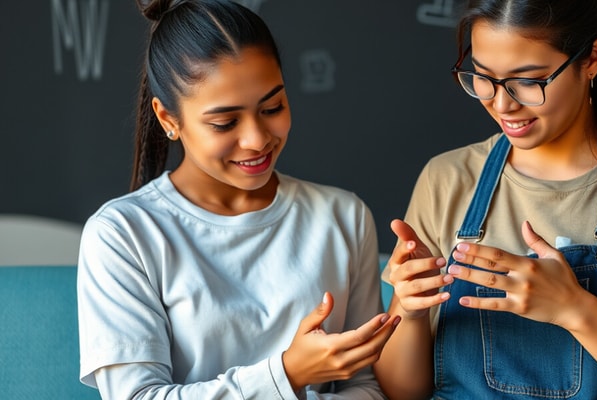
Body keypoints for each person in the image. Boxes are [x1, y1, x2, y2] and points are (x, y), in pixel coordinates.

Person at [373, 0, 597, 399]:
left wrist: (574, 309)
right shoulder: (445, 180)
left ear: (593, 59)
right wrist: (409, 313)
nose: (501, 103)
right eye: (482, 77)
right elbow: (401, 392)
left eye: (528, 81)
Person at [76, 1, 399, 398]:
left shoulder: (343, 217)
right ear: (168, 119)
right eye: (225, 122)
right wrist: (287, 374)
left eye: (272, 107)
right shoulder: (122, 234)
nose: (257, 139)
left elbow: (365, 387)